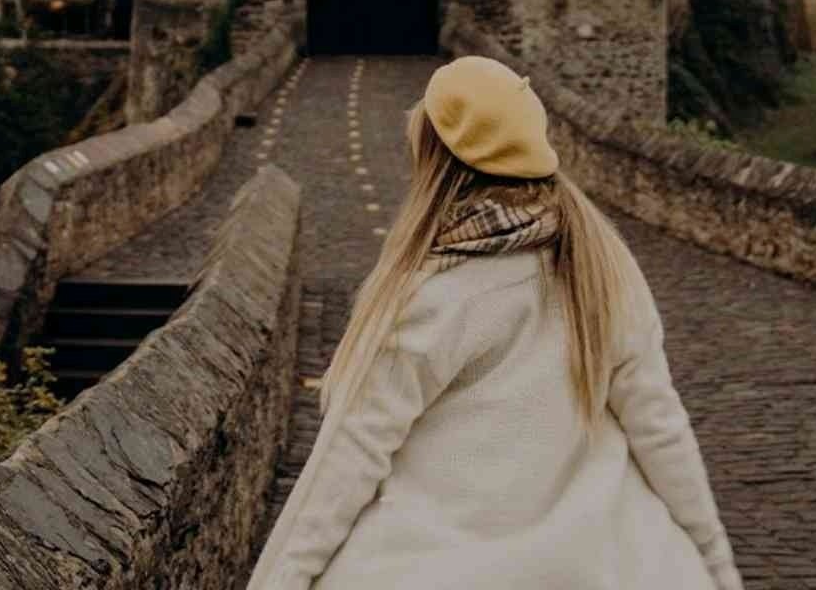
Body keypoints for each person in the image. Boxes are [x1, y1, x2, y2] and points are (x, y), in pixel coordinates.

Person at [247, 54, 743, 590]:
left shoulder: (432, 295)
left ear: (436, 158)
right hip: (601, 560)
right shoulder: (606, 267)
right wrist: (715, 564)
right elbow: (659, 426)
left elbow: (349, 458)